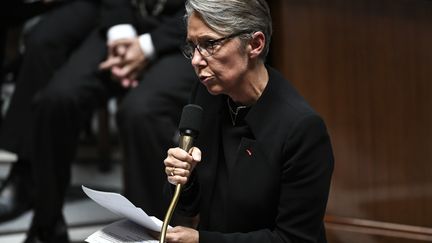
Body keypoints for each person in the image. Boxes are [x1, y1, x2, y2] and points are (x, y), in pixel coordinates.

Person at [0, 0, 196, 242]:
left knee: (140, 112)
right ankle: (46, 224)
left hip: (188, 33)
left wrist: (147, 47)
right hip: (126, 17)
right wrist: (120, 31)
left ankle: (150, 233)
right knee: (57, 99)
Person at [161, 0, 335, 242]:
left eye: (209, 44)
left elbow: (294, 239)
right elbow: (189, 207)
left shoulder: (302, 129)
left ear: (255, 44)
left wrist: (203, 241)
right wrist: (183, 177)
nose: (195, 61)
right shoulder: (206, 96)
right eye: (193, 46)